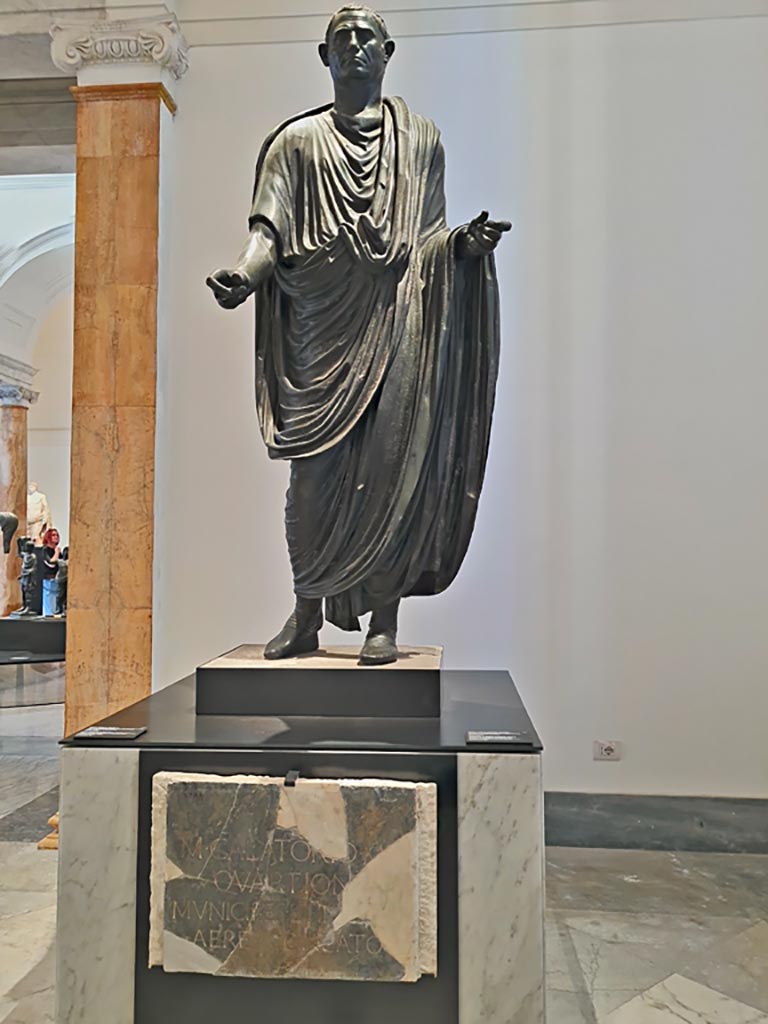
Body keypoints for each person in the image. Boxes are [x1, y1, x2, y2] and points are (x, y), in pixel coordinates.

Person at [207, 4, 510, 665]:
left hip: (398, 318)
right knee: (310, 482)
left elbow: (426, 238)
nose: (352, 47)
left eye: (364, 37)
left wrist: (461, 244)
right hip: (320, 327)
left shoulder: (421, 139)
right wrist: (245, 273)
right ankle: (305, 611)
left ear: (387, 50)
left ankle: (384, 622)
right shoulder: (295, 144)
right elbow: (269, 230)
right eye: (339, 39)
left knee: (390, 470)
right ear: (324, 57)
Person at [40, 528, 61, 618]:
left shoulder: (57, 550)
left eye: (57, 535)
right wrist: (56, 553)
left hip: (57, 580)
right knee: (49, 604)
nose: (56, 537)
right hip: (48, 580)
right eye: (53, 535)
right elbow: (51, 563)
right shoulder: (45, 550)